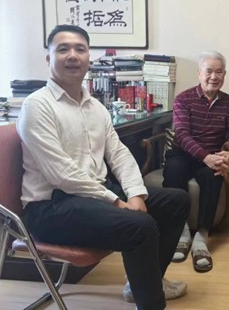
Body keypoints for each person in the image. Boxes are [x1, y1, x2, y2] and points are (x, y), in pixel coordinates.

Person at [17, 25, 189, 310]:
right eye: (63, 49)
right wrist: (117, 202)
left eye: (80, 49)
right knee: (140, 225)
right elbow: (62, 174)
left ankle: (145, 283)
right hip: (52, 207)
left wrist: (135, 194)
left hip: (93, 196)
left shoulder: (95, 106)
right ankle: (151, 303)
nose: (73, 55)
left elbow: (118, 153)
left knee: (177, 201)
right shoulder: (37, 106)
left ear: (89, 58)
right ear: (48, 58)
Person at [163, 50, 229, 273]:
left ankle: (202, 236)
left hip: (212, 154)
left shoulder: (228, 102)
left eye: (219, 72)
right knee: (173, 170)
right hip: (184, 154)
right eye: (209, 71)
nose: (214, 77)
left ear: (224, 75)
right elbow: (182, 135)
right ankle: (181, 232)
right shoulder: (183, 99)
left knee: (214, 175)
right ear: (199, 73)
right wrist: (205, 157)